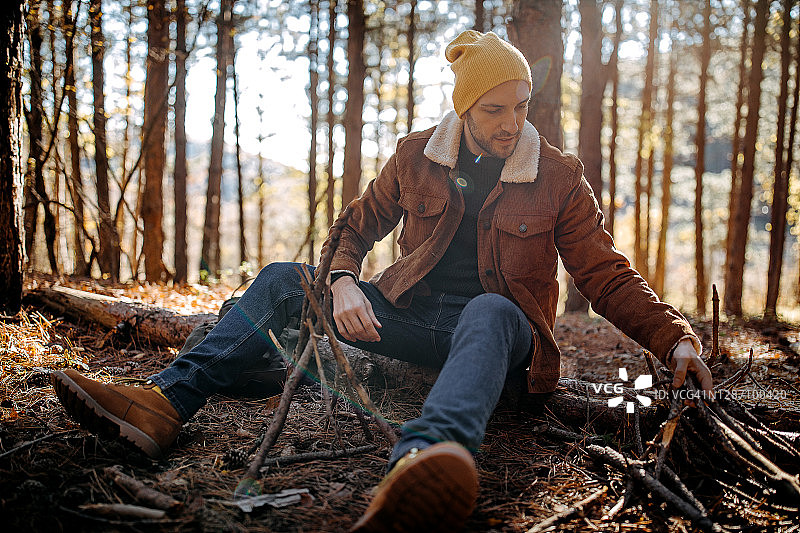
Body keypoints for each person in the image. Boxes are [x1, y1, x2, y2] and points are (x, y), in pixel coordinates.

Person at [51, 30, 713, 532]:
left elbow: (605, 272)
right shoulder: (416, 155)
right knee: (287, 278)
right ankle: (162, 405)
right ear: (464, 111)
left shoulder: (558, 177)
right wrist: (341, 280)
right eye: (493, 111)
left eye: (520, 105)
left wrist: (675, 338)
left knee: (488, 308)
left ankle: (428, 459)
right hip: (416, 321)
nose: (511, 123)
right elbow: (354, 225)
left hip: (499, 336)